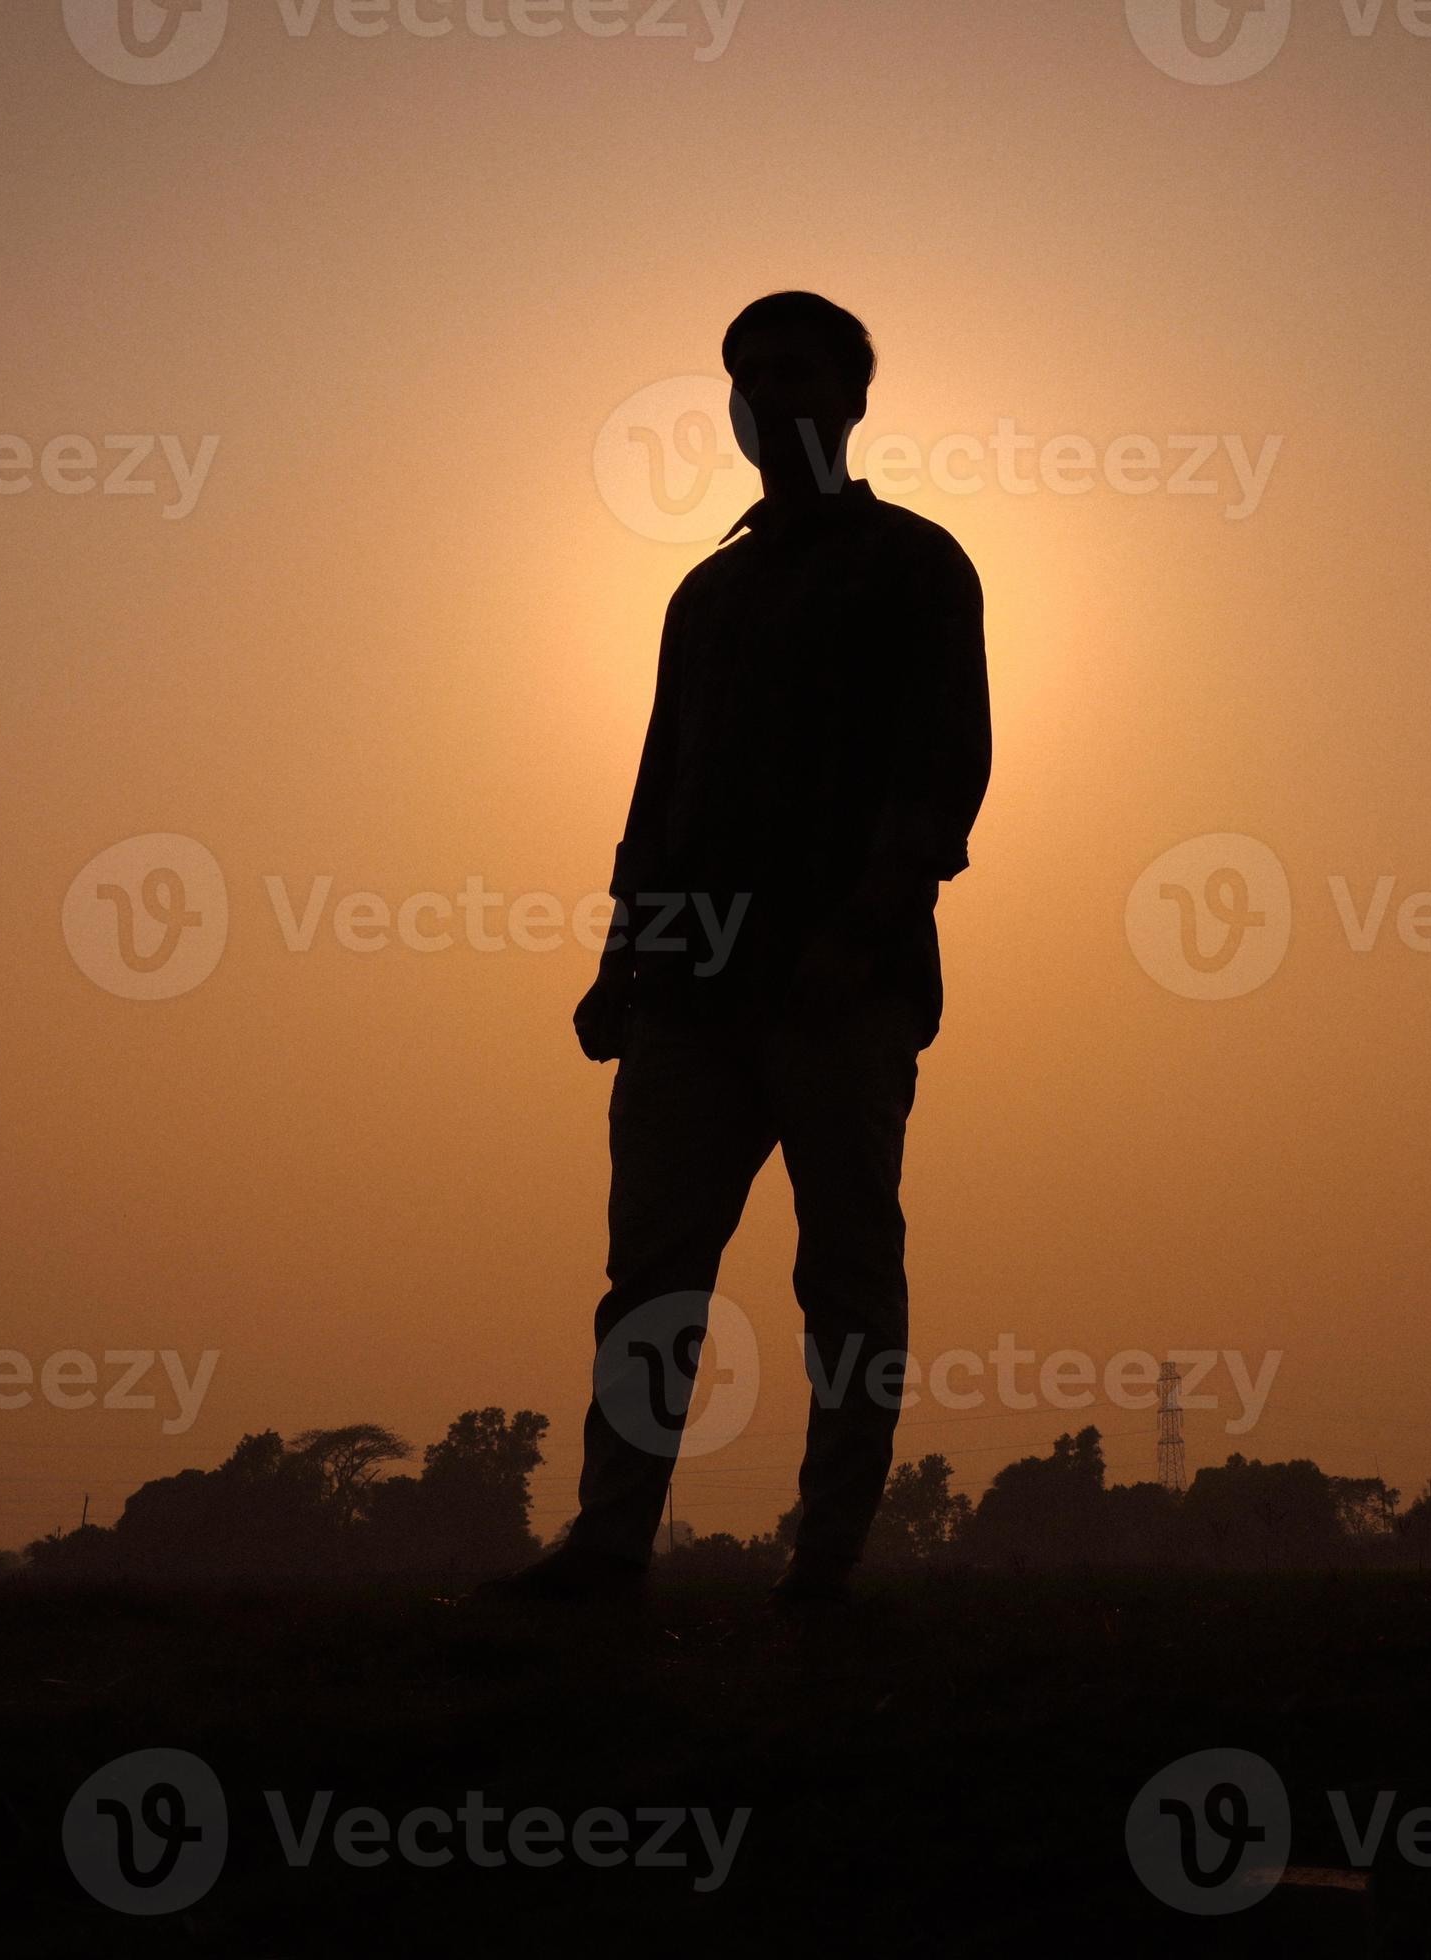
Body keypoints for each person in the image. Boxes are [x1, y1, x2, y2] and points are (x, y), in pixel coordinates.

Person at [490, 292, 991, 1607]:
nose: (763, 393)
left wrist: (859, 935)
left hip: (839, 985)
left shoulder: (914, 567)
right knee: (652, 1276)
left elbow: (942, 777)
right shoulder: (707, 596)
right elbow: (662, 798)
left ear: (852, 395)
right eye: (743, 373)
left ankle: (823, 1557)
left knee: (842, 1277)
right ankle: (608, 1547)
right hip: (688, 993)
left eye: (790, 369)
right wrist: (620, 959)